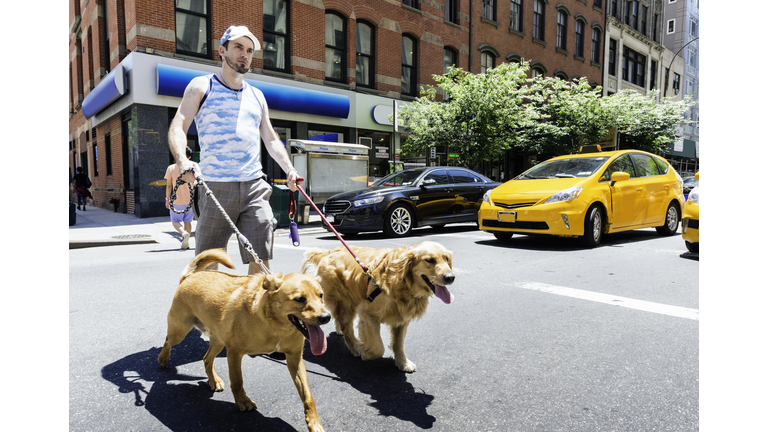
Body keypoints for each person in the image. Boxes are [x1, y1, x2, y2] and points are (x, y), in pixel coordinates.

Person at [168, 25, 302, 275]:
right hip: (215, 187)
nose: (245, 54)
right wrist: (182, 161)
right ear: (222, 50)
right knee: (206, 266)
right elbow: (179, 124)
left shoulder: (258, 96)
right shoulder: (201, 86)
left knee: (261, 263)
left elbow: (271, 139)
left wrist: (290, 169)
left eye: (250, 50)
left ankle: (254, 314)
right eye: (238, 47)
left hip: (254, 186)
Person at [165, 146, 200, 250]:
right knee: (187, 221)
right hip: (190, 200)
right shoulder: (194, 165)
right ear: (189, 157)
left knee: (175, 221)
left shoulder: (171, 168)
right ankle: (187, 242)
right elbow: (200, 181)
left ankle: (183, 233)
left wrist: (167, 199)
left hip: (176, 200)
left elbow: (169, 186)